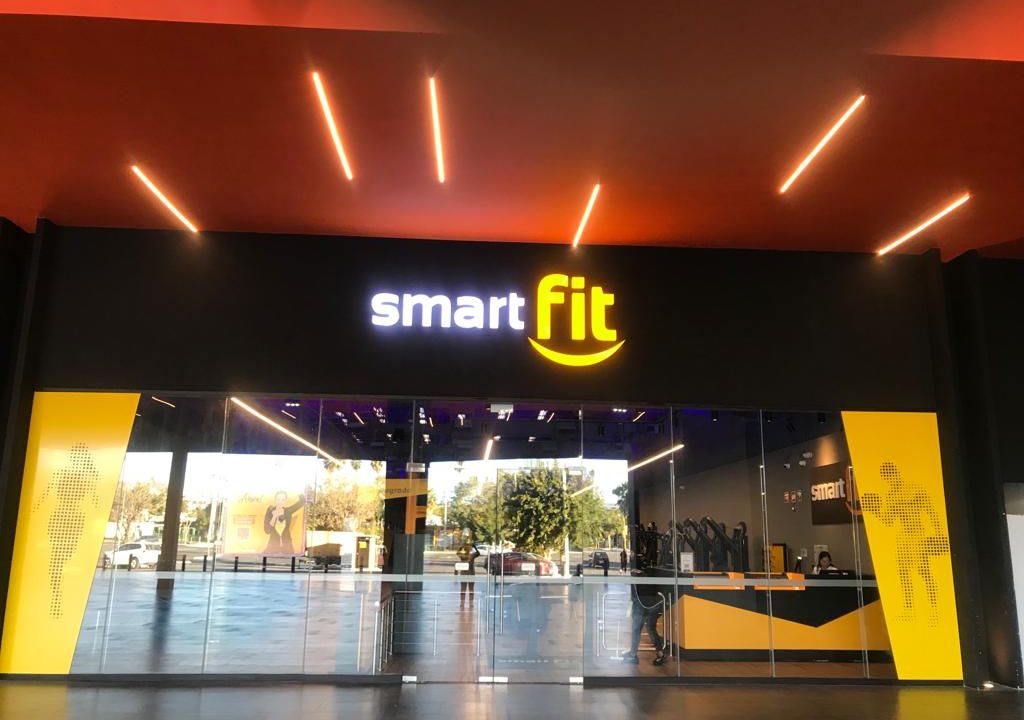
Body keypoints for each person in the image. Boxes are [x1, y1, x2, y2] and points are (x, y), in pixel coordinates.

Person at [622, 579, 667, 666]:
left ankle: (633, 655)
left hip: (641, 601)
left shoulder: (638, 575)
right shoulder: (652, 573)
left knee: (636, 629)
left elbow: (635, 589)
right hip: (654, 600)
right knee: (651, 628)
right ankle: (660, 653)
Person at [264, 491, 305, 555]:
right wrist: (274, 517)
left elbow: (302, 502)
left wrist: (298, 490)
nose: (280, 502)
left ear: (285, 500)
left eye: (283, 500)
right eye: (278, 499)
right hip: (272, 547)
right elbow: (267, 531)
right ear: (275, 500)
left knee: (290, 559)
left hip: (287, 547)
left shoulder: (288, 511)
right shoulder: (270, 511)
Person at [456, 534, 480, 609]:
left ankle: (464, 603)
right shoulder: (467, 555)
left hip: (467, 573)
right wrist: (474, 546)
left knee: (465, 589)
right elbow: (478, 553)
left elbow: (457, 553)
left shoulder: (467, 555)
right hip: (469, 573)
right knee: (469, 589)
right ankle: (466, 603)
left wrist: (462, 546)